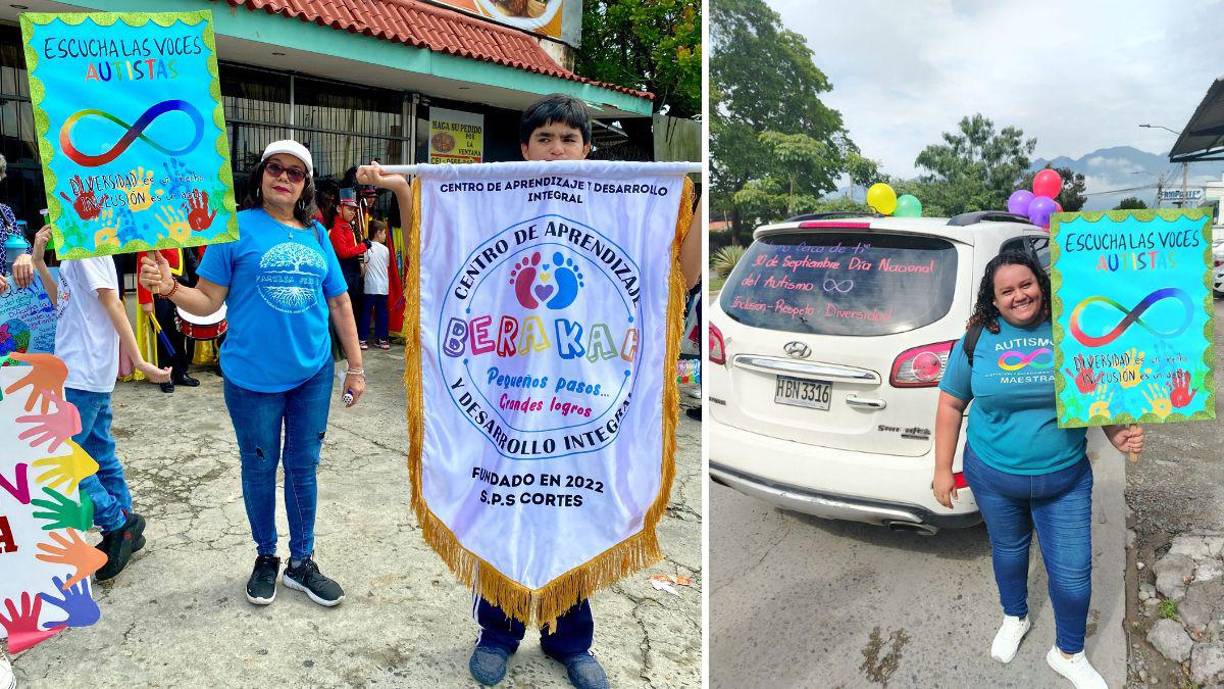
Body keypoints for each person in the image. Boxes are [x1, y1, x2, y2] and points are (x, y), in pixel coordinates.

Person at [358, 93, 700, 689]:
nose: (557, 149)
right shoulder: (492, 199)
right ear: (523, 148)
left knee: (573, 514)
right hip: (508, 404)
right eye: (544, 139)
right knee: (504, 506)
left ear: (588, 149)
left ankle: (572, 642)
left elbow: (679, 278)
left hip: (586, 404)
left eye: (569, 138)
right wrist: (404, 191)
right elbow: (439, 256)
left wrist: (699, 202)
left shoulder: (626, 205)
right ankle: (498, 633)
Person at [139, 140, 365, 608]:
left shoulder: (317, 234)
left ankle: (302, 562)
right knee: (260, 468)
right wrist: (171, 288)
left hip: (313, 374)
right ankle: (267, 556)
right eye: (275, 169)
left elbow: (340, 302)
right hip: (251, 379)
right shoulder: (234, 229)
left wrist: (356, 367)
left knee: (303, 469)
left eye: (295, 173)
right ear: (260, 175)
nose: (284, 178)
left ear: (306, 184)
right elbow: (208, 301)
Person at [933, 251, 1144, 689]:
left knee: (1072, 576)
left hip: (1064, 480)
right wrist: (941, 469)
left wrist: (1117, 432)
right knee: (1008, 555)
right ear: (993, 300)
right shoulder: (977, 339)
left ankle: (1068, 652)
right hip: (993, 477)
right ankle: (1015, 616)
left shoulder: (1073, 331)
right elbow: (951, 403)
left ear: (1041, 285)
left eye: (1025, 285)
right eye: (1006, 291)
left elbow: (1094, 392)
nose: (1018, 296)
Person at [27, 225, 171, 580]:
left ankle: (117, 524)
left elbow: (113, 303)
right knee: (100, 454)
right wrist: (39, 261)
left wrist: (138, 360)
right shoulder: (78, 248)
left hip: (81, 373)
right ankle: (126, 528)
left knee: (64, 459)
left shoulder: (88, 247)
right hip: (82, 371)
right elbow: (63, 302)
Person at [137, 248, 201, 393]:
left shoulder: (178, 231)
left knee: (180, 332)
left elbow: (190, 261)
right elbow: (142, 263)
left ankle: (180, 372)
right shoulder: (151, 231)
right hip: (159, 289)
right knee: (164, 334)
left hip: (181, 287)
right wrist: (146, 299)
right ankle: (166, 376)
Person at [329, 195, 369, 329]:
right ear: (339, 209)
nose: (353, 212)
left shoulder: (347, 226)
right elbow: (344, 252)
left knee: (355, 303)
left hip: (352, 271)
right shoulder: (337, 229)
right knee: (348, 304)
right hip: (345, 270)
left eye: (354, 209)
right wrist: (363, 247)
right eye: (349, 209)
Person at [358, 219, 390, 350]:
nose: (385, 236)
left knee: (366, 312)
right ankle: (382, 339)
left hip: (370, 285)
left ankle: (363, 339)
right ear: (377, 233)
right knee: (382, 313)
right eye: (384, 233)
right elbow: (386, 266)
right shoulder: (385, 250)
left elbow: (363, 266)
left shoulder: (366, 248)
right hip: (383, 286)